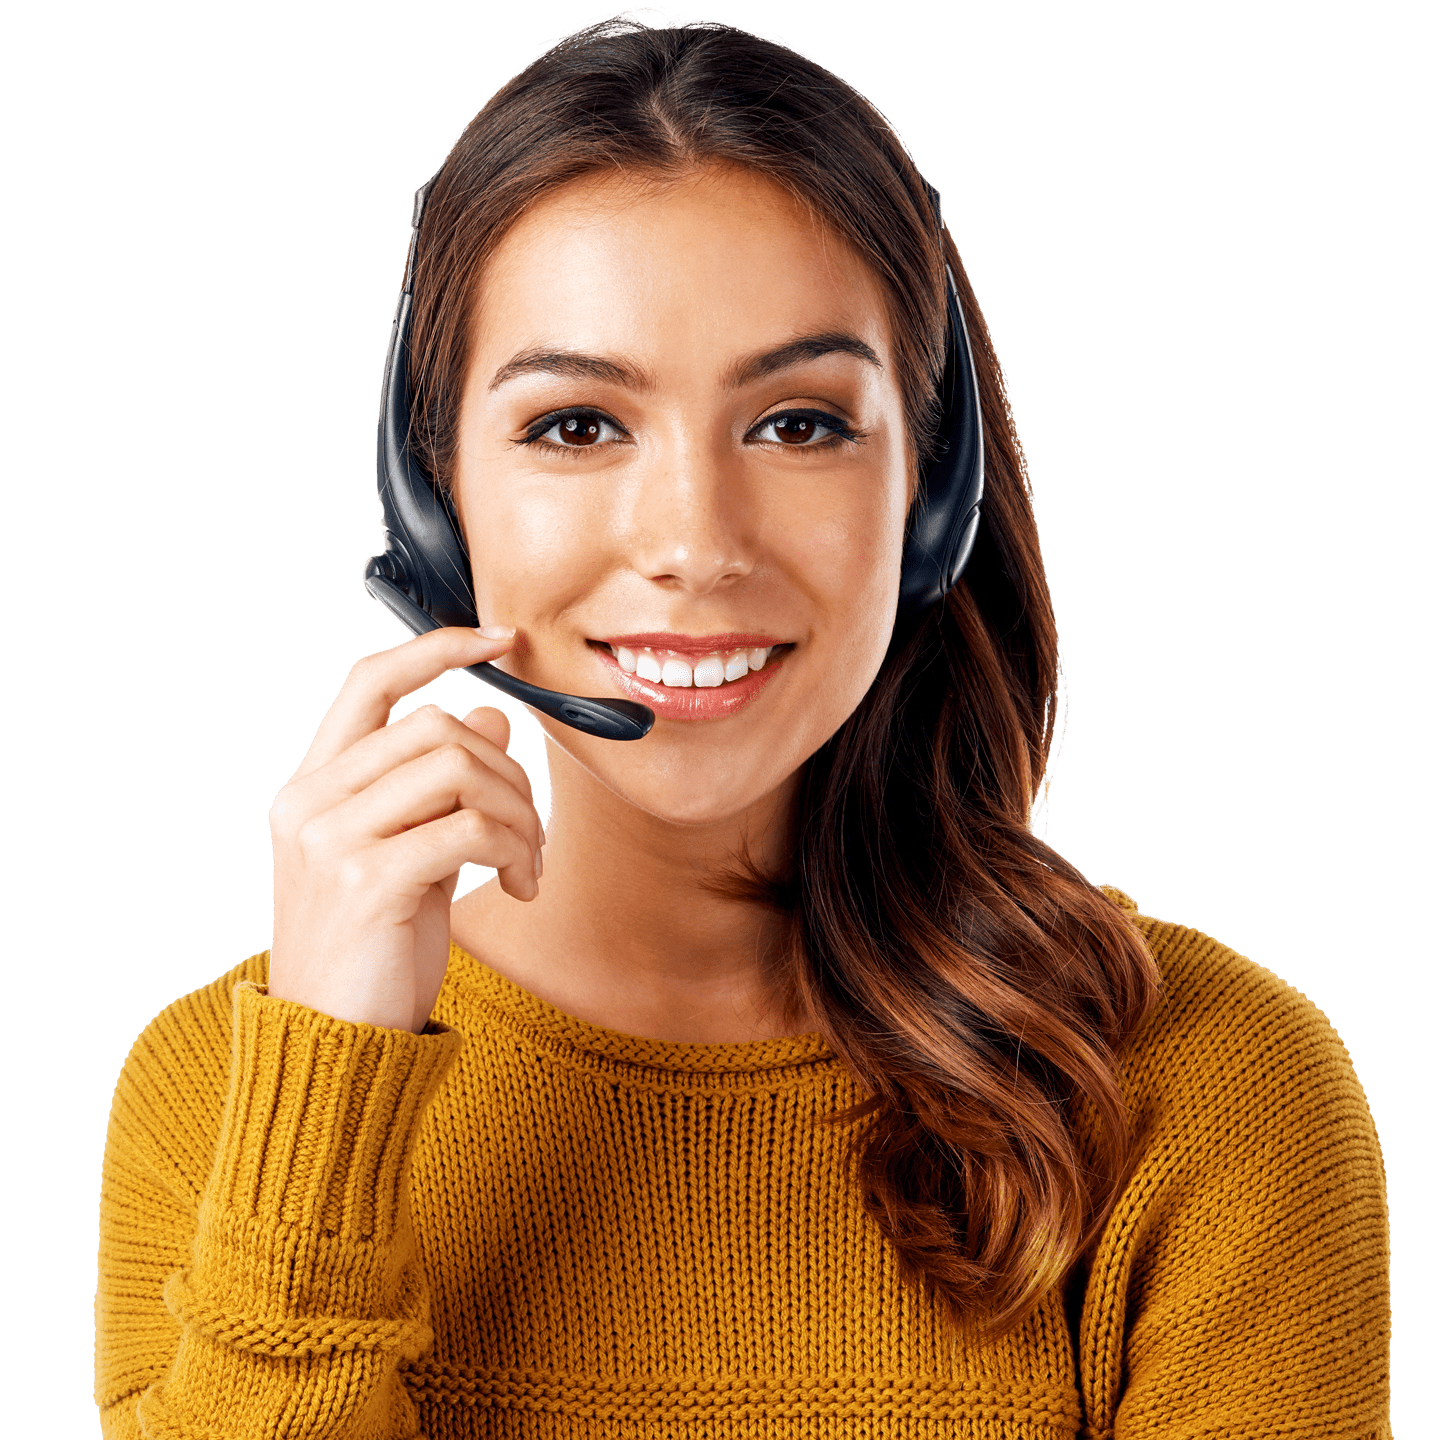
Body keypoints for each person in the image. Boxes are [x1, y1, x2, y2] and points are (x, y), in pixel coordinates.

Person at [93, 10, 1391, 1437]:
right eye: (578, 426)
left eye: (799, 423)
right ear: (431, 498)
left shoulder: (1206, 1091)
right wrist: (325, 1103)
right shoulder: (223, 1098)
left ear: (932, 490)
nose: (695, 544)